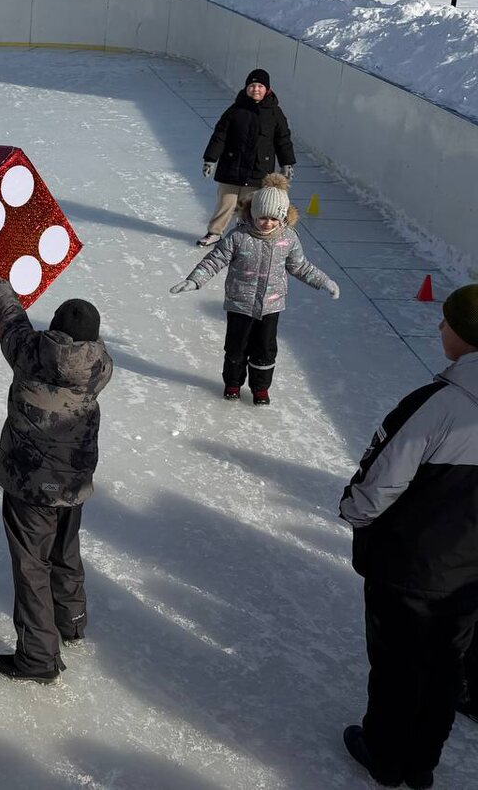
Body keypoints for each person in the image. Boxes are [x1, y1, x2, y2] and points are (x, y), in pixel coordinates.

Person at [338, 284, 478, 789]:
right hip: (469, 577)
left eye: (447, 322)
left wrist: (353, 512)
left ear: (463, 336)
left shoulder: (438, 404)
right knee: (445, 667)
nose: (439, 328)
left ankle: (385, 755)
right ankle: (421, 765)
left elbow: (381, 480)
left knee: (398, 665)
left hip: (410, 567)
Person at [0, 279, 112, 684]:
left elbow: (10, 318)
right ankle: (71, 621)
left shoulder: (29, 352)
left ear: (53, 328)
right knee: (65, 550)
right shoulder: (98, 367)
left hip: (28, 486)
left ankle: (38, 657)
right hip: (72, 485)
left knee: (31, 566)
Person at [170, 176, 339, 405]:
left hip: (271, 305)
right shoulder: (238, 237)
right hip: (240, 303)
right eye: (262, 217)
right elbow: (214, 260)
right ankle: (232, 383)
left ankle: (260, 388)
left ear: (282, 217)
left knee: (265, 350)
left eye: (273, 218)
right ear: (252, 214)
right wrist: (194, 280)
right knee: (236, 347)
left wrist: (324, 281)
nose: (267, 223)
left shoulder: (289, 239)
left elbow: (300, 266)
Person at [197, 68, 296, 247]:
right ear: (246, 88)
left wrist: (287, 163)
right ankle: (214, 233)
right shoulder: (235, 110)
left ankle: (244, 234)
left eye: (260, 86)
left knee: (249, 206)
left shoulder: (275, 113)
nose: (255, 89)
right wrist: (210, 159)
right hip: (232, 166)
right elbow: (220, 136)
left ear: (267, 89)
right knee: (226, 203)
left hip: (259, 168)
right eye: (252, 85)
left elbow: (283, 139)